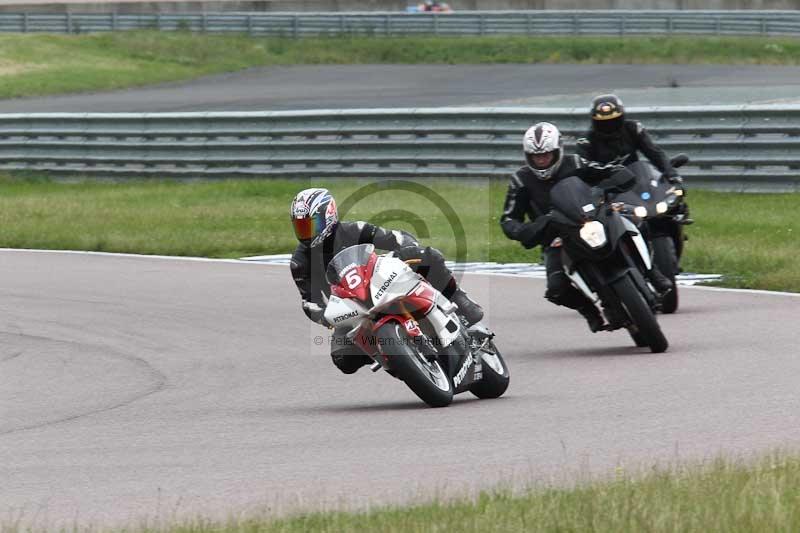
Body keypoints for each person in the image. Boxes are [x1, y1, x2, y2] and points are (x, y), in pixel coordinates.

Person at [290, 187, 483, 374]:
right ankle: (394, 354)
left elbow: (397, 238)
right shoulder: (300, 263)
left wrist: (406, 248)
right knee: (342, 359)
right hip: (352, 306)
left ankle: (459, 299)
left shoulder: (353, 230)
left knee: (428, 256)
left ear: (328, 215)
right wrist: (325, 317)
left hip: (380, 281)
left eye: (310, 224)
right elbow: (309, 301)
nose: (305, 232)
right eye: (300, 226)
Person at [499, 122, 670, 333]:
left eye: (546, 155)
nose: (542, 160)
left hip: (593, 217)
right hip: (556, 236)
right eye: (536, 157)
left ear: (558, 151)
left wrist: (611, 179)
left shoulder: (576, 163)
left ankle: (652, 272)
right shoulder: (520, 181)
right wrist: (524, 230)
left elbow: (603, 171)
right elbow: (508, 219)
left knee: (636, 221)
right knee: (556, 289)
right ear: (528, 156)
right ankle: (590, 310)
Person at [576, 94, 691, 221]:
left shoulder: (633, 129)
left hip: (638, 184)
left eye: (613, 121)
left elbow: (654, 153)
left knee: (675, 203)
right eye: (604, 123)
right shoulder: (586, 140)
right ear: (595, 122)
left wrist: (672, 174)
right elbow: (582, 168)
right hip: (609, 191)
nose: (609, 126)